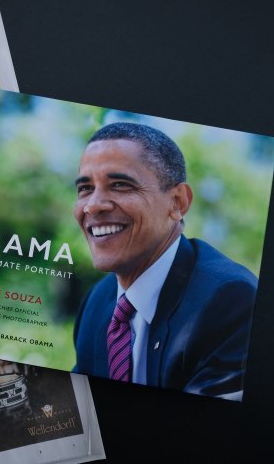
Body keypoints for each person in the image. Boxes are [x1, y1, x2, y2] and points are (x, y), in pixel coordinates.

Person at [72, 122, 257, 400]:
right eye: (85, 188)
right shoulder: (97, 303)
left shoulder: (230, 301)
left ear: (178, 202)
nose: (93, 205)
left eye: (120, 184)